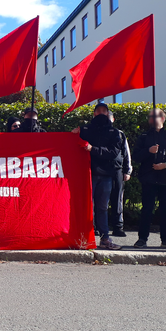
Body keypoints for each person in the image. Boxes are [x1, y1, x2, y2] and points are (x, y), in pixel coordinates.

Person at [72, 102, 123, 250]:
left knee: (102, 207)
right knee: (86, 206)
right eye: (98, 110)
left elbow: (113, 153)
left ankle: (104, 238)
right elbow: (72, 143)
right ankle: (82, 236)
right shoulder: (85, 130)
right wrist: (74, 134)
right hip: (87, 174)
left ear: (108, 114)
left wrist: (92, 149)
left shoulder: (114, 133)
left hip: (105, 175)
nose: (101, 113)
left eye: (104, 111)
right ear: (94, 113)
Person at [133, 108, 166, 249]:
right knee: (147, 209)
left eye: (155, 116)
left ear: (163, 118)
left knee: (165, 210)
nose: (152, 118)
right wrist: (148, 151)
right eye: (150, 116)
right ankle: (142, 239)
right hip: (149, 178)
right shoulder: (143, 137)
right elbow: (136, 157)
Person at [107, 110, 132, 237]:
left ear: (113, 119)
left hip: (117, 170)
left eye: (108, 117)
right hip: (100, 171)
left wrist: (127, 170)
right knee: (99, 200)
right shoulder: (95, 132)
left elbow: (125, 152)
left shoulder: (119, 134)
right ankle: (97, 227)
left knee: (117, 199)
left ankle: (118, 227)